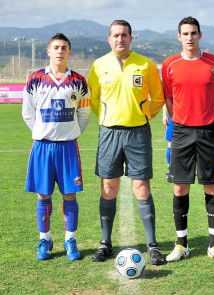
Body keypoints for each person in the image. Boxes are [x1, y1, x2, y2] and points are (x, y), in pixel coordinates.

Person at [87, 20, 165, 265]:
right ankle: (105, 243)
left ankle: (152, 245)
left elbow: (158, 98)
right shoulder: (99, 65)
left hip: (138, 134)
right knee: (108, 188)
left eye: (124, 35)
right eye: (115, 35)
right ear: (109, 39)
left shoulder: (146, 64)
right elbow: (94, 99)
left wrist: (143, 115)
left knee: (141, 187)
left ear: (132, 38)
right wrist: (108, 118)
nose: (120, 39)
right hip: (109, 133)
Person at [162, 16, 214, 264]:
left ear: (200, 35)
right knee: (180, 187)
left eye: (193, 33)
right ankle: (181, 244)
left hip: (209, 131)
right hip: (181, 132)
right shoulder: (169, 64)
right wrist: (178, 118)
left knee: (212, 186)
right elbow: (169, 99)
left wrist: (211, 116)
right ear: (178, 37)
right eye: (185, 33)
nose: (189, 37)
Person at [22, 33, 91, 261]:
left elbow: (84, 113)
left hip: (68, 149)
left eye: (64, 48)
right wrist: (41, 133)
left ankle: (70, 239)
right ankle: (45, 239)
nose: (60, 51)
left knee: (69, 195)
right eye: (56, 47)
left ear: (69, 52)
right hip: (42, 148)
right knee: (43, 196)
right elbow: (28, 113)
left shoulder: (79, 81)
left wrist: (72, 133)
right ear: (48, 51)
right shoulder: (35, 79)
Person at [162, 104, 173, 178]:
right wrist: (164, 115)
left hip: (187, 116)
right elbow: (166, 101)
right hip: (173, 117)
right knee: (171, 142)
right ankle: (170, 168)